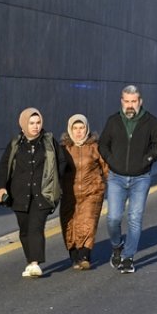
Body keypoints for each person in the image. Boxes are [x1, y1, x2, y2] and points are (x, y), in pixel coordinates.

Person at [100, 85, 157, 274]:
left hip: (141, 178)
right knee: (113, 218)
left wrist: (148, 159)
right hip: (116, 178)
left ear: (140, 102)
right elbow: (103, 144)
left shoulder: (150, 121)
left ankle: (128, 258)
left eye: (133, 101)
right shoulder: (113, 121)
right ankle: (116, 246)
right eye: (127, 101)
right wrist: (112, 161)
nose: (130, 105)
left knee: (135, 218)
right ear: (122, 101)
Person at [0, 108, 68, 278]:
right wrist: (1, 187)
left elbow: (62, 163)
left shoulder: (49, 142)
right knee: (24, 230)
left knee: (36, 227)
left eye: (38, 123)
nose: (35, 127)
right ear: (23, 125)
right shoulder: (15, 144)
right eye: (31, 123)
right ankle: (30, 261)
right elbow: (4, 166)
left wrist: (55, 183)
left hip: (42, 194)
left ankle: (35, 262)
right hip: (19, 195)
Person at [60, 114, 108, 270]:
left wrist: (110, 185)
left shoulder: (95, 147)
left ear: (86, 128)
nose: (78, 131)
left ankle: (85, 255)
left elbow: (106, 167)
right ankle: (74, 256)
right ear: (70, 130)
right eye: (75, 128)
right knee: (70, 223)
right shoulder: (64, 149)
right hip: (68, 192)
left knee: (87, 220)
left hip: (92, 191)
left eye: (81, 128)